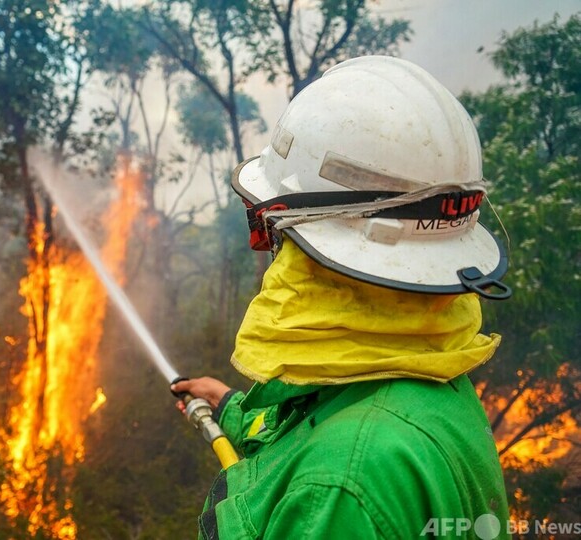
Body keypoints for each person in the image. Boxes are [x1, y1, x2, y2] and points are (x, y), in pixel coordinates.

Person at [172, 56, 512, 539]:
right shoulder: (425, 374)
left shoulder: (338, 487)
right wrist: (227, 404)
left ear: (311, 240)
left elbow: (334, 458)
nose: (267, 249)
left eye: (268, 229)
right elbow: (319, 425)